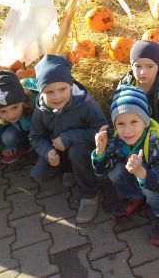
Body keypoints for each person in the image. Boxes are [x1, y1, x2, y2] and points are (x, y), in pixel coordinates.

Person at [92, 85, 159, 246]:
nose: (127, 130)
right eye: (121, 124)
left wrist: (141, 173)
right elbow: (101, 171)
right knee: (114, 171)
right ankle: (136, 197)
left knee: (150, 186)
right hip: (141, 175)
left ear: (145, 121)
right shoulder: (117, 137)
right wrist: (100, 151)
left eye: (134, 121)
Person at [29, 54, 107, 225]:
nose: (56, 96)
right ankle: (69, 169)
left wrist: (69, 137)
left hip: (83, 147)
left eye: (62, 89)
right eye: (49, 91)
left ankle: (90, 194)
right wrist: (46, 151)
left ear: (70, 86)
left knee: (77, 152)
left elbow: (101, 130)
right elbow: (35, 136)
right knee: (39, 174)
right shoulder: (41, 109)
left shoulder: (86, 104)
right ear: (41, 91)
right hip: (57, 146)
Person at [119, 40, 159, 134]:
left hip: (157, 132)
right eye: (138, 66)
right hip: (130, 132)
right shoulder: (126, 84)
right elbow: (118, 113)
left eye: (149, 66)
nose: (143, 72)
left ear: (158, 67)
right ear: (131, 66)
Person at [0, 71, 36, 164]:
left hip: (41, 129)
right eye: (3, 111)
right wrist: (4, 147)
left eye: (15, 107)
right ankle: (24, 146)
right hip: (22, 131)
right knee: (6, 138)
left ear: (23, 101)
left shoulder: (36, 103)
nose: (11, 115)